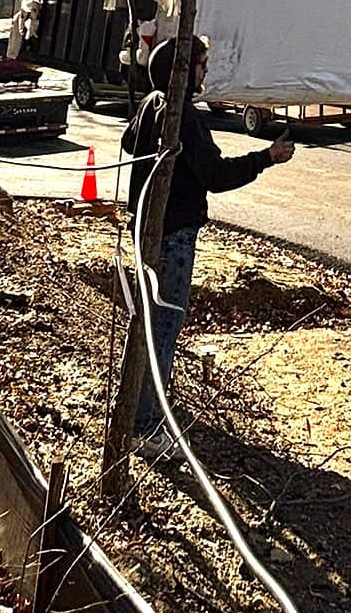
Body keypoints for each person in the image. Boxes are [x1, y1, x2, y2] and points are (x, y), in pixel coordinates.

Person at [121, 37, 294, 454]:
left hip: (148, 228)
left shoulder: (152, 105)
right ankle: (146, 426)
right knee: (162, 329)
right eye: (200, 64)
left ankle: (135, 410)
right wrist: (266, 157)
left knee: (146, 323)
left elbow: (130, 141)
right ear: (182, 70)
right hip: (175, 234)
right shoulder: (184, 117)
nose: (203, 72)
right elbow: (215, 175)